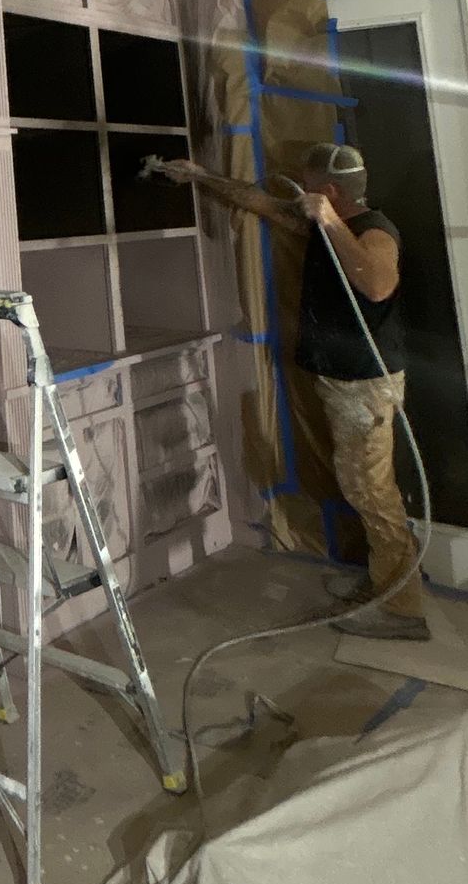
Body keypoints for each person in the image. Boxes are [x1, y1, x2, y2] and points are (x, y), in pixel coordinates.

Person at [150, 141, 427, 641]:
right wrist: (198, 176)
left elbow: (378, 284)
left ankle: (402, 609)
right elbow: (261, 202)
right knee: (363, 488)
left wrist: (331, 221)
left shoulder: (374, 231)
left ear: (331, 191)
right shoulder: (325, 225)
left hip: (366, 389)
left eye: (309, 183)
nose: (299, 188)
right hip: (343, 385)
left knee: (372, 491)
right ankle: (388, 581)